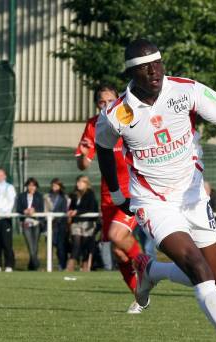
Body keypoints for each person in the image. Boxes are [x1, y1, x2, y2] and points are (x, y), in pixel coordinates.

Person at [94, 39, 216, 342]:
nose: (154, 71)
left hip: (193, 198)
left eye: (157, 63)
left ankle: (151, 272)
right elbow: (102, 149)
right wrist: (116, 193)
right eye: (145, 67)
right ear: (131, 73)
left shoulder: (186, 91)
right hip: (153, 202)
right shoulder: (116, 115)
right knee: (197, 268)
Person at [75, 83, 143, 312]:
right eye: (100, 103)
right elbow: (83, 164)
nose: (105, 106)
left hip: (132, 192)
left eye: (109, 101)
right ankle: (140, 297)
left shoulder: (129, 118)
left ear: (118, 100)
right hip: (108, 196)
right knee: (117, 251)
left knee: (116, 235)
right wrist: (83, 156)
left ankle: (147, 266)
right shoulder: (94, 125)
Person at [67, 175, 98, 272]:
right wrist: (71, 211)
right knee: (75, 244)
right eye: (77, 182)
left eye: (81, 182)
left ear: (86, 183)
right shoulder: (74, 195)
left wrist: (77, 212)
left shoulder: (90, 194)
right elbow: (72, 207)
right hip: (76, 223)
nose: (78, 184)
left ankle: (85, 266)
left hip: (87, 223)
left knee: (86, 245)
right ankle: (70, 266)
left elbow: (91, 208)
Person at [16, 177, 45, 270]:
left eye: (33, 185)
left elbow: (41, 209)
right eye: (30, 185)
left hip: (36, 222)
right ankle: (36, 264)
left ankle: (32, 266)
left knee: (35, 245)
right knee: (30, 245)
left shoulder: (39, 196)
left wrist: (34, 210)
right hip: (26, 223)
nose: (31, 187)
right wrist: (24, 211)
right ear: (27, 186)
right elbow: (18, 209)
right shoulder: (21, 196)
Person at [44, 178, 69, 271]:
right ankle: (49, 266)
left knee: (60, 246)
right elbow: (45, 209)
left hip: (60, 225)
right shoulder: (47, 197)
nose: (54, 187)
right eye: (53, 185)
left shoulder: (64, 198)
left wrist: (56, 219)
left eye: (56, 185)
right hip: (49, 225)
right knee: (49, 245)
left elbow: (64, 211)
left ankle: (61, 265)